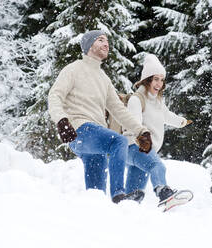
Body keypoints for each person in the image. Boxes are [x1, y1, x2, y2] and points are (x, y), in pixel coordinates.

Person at [48, 30, 153, 203]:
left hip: (95, 139)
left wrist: (140, 131)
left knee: (95, 197)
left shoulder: (104, 78)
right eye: (100, 40)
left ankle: (96, 219)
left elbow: (119, 109)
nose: (106, 44)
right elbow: (55, 95)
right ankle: (119, 194)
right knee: (118, 141)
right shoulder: (74, 69)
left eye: (107, 41)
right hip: (79, 130)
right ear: (89, 45)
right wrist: (61, 120)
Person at [123, 54, 192, 205]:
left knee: (135, 194)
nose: (159, 83)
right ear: (147, 80)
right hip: (134, 146)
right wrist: (142, 138)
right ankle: (163, 192)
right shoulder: (137, 99)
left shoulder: (157, 102)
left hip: (143, 148)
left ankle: (126, 207)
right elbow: (134, 124)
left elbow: (166, 115)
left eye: (161, 79)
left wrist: (181, 122)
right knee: (156, 165)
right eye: (155, 79)